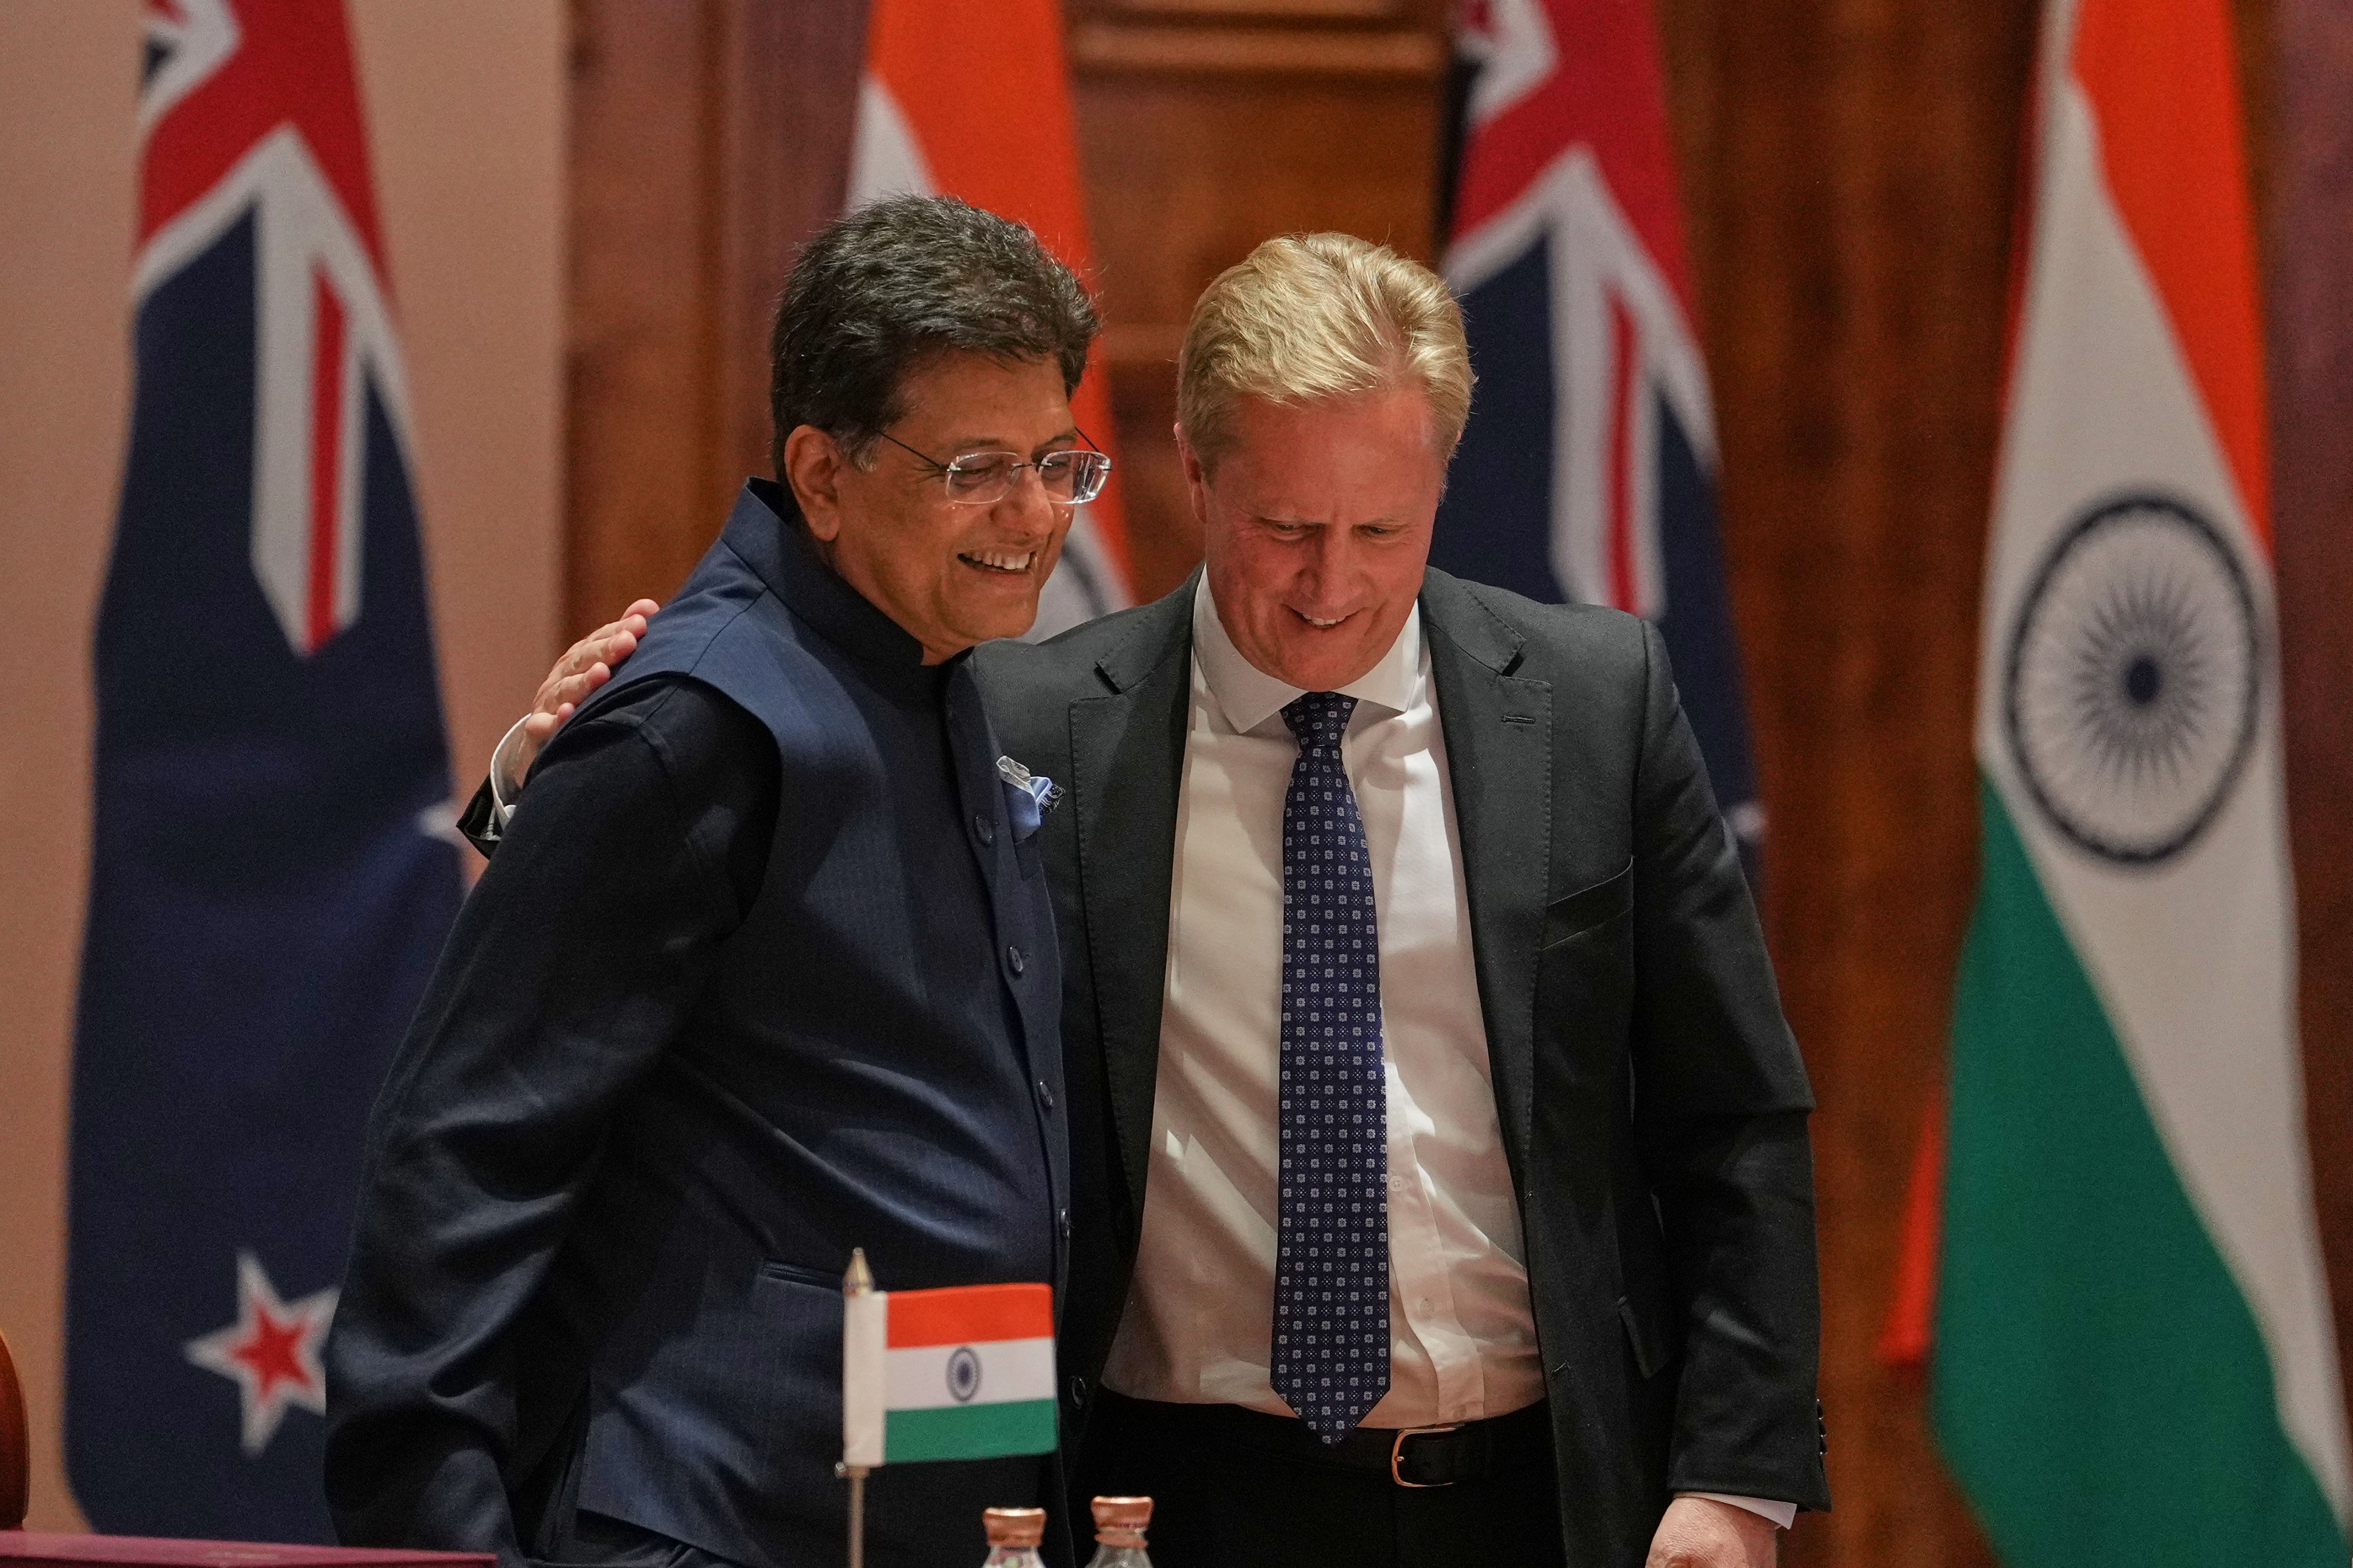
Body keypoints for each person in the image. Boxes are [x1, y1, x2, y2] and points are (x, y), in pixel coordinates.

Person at [495, 233, 1827, 1568]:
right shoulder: (1020, 721)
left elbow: (1733, 1125)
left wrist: (1733, 1479)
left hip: (1531, 1492)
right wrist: (537, 795)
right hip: (1160, 1503)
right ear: (1192, 475)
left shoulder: (1596, 707)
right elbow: (768, 926)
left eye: (1383, 529)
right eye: (1286, 528)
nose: (1333, 585)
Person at [322, 195, 1106, 1568]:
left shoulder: (929, 670)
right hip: (702, 1525)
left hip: (912, 1502)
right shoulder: (696, 727)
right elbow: (460, 1152)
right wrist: (437, 1541)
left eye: (1056, 459)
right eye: (977, 465)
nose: (1033, 514)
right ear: (821, 475)